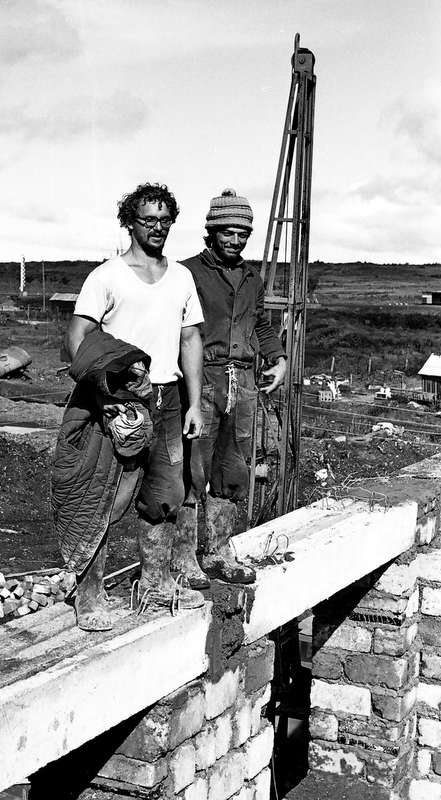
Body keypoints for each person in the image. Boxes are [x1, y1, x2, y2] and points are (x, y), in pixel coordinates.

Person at [58, 182, 205, 630]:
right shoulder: (107, 276)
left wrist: (194, 403)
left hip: (168, 399)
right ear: (129, 223)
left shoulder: (181, 277)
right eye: (148, 220)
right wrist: (105, 394)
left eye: (165, 220)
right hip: (121, 401)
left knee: (165, 496)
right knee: (105, 495)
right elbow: (76, 338)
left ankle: (155, 585)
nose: (157, 228)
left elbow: (190, 339)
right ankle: (89, 596)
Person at [172, 188, 287, 587]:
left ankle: (217, 553)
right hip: (202, 379)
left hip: (244, 383)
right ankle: (183, 558)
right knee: (192, 467)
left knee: (233, 468)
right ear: (212, 232)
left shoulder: (252, 279)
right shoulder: (187, 273)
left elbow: (261, 325)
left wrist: (279, 359)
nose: (236, 240)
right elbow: (176, 328)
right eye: (228, 232)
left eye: (243, 234)